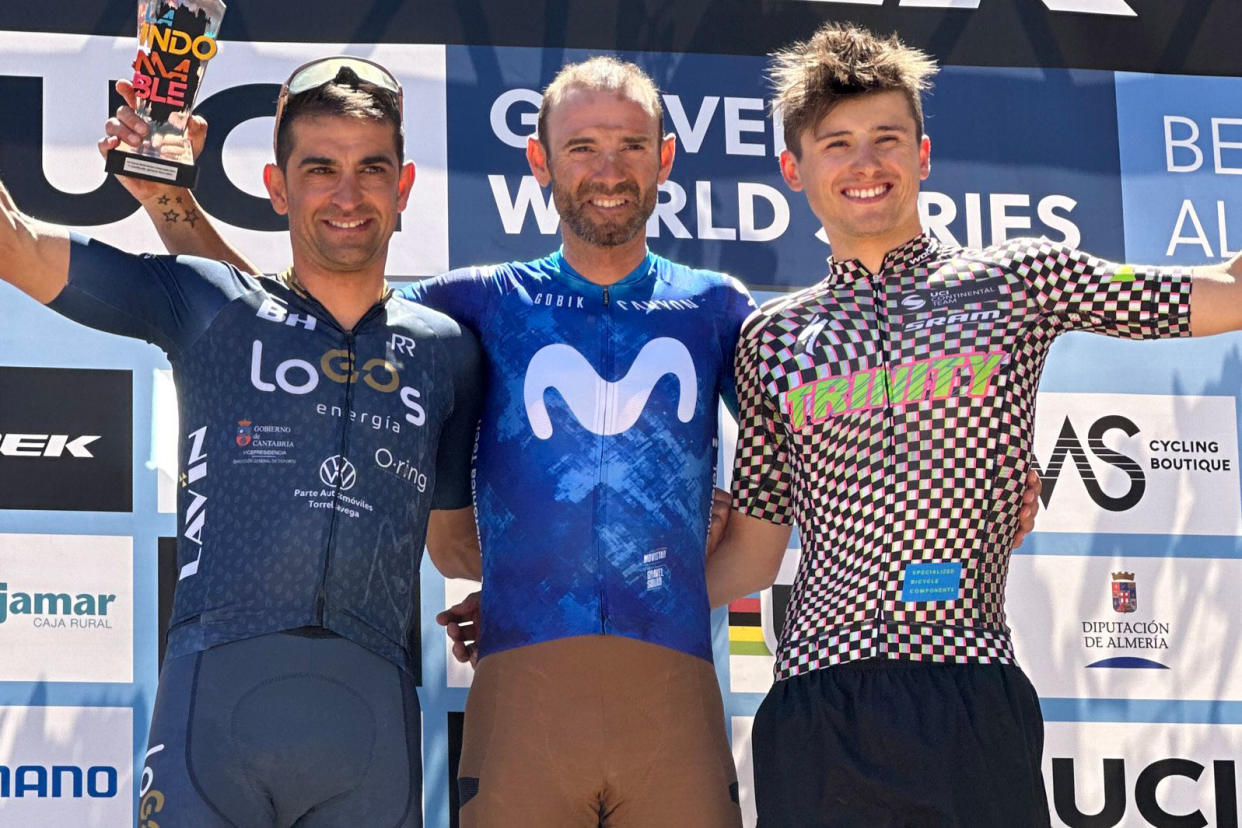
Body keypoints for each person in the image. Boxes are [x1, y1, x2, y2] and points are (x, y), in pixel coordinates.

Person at [103, 54, 1039, 828]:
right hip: (522, 695)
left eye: (630, 145)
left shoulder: (724, 311)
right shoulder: (470, 300)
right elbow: (293, 324)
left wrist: (992, 472)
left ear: (665, 158)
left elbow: (840, 426)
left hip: (673, 694)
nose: (607, 167)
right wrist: (171, 208)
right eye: (581, 146)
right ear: (539, 161)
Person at [705, 22, 1242, 828]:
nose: (866, 164)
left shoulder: (1018, 278)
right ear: (794, 168)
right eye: (837, 144)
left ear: (922, 155)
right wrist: (590, 609)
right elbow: (753, 549)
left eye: (888, 138)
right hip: (815, 703)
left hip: (968, 686)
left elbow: (1215, 299)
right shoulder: (770, 338)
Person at [3, 56, 482, 827]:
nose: (348, 195)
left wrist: (539, 598)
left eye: (372, 169)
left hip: (375, 722)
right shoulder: (208, 303)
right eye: (319, 168)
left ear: (405, 186)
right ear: (276, 186)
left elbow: (459, 549)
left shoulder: (447, 349)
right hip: (213, 713)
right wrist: (167, 199)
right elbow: (17, 246)